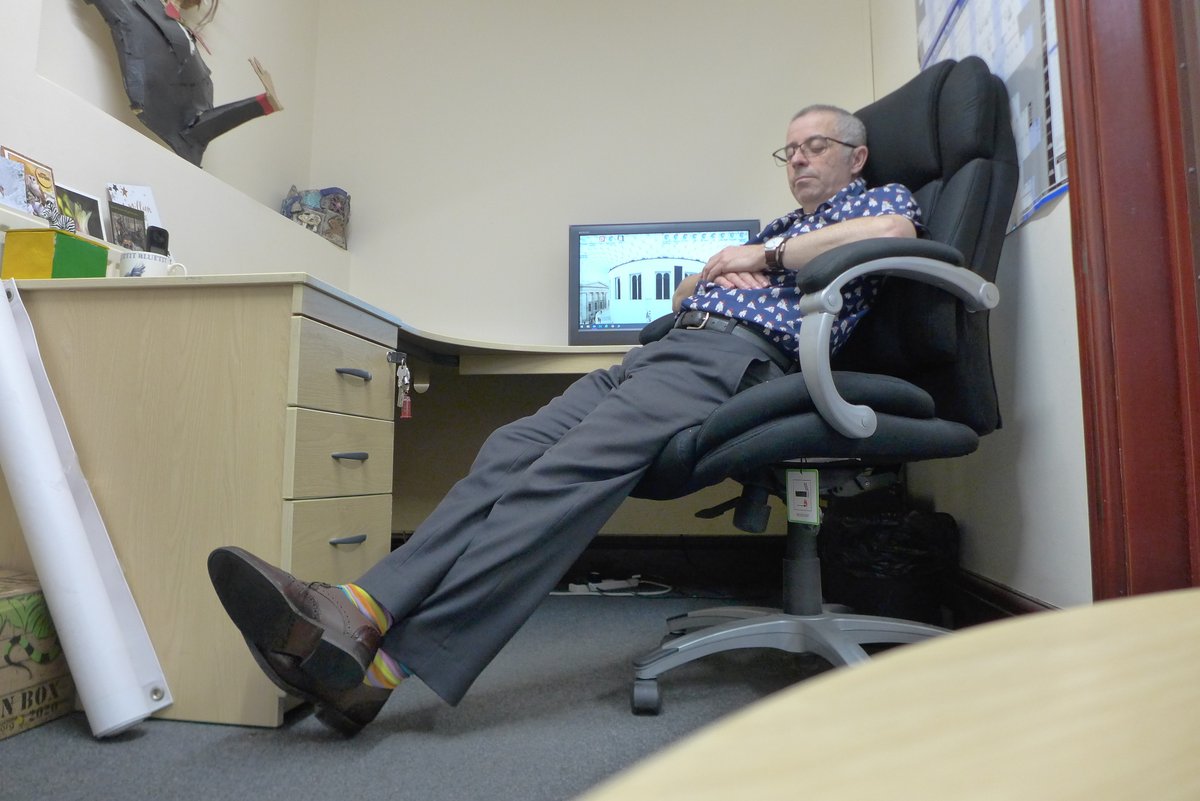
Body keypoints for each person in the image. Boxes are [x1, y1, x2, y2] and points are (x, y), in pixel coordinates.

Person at [207, 104, 924, 736]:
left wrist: (761, 256)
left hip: (734, 361)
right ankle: (361, 605)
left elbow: (894, 230)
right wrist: (714, 269)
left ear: (854, 158)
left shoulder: (874, 202)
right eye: (789, 149)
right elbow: (684, 286)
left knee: (560, 475)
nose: (797, 158)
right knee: (511, 445)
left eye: (815, 146)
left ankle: (380, 668)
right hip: (672, 347)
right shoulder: (784, 226)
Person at [85, 0, 282, 166]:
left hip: (172, 127)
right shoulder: (139, 11)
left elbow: (197, 128)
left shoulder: (193, 55)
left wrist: (262, 103)